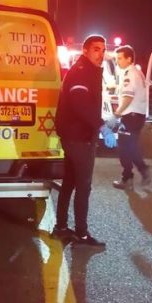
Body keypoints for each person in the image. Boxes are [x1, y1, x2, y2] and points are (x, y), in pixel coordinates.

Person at [52, 35, 115, 247]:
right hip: (79, 137)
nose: (101, 54)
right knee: (83, 186)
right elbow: (80, 104)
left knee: (70, 182)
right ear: (85, 51)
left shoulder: (86, 70)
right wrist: (101, 126)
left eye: (103, 50)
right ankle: (81, 233)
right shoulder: (82, 72)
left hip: (74, 135)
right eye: (96, 49)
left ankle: (61, 227)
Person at [111, 45, 150, 189]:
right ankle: (137, 173)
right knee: (130, 146)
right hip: (138, 115)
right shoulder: (137, 72)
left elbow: (128, 97)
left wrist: (117, 113)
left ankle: (130, 176)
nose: (117, 61)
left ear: (129, 59)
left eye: (120, 58)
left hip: (130, 116)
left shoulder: (129, 74)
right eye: (116, 58)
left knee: (124, 148)